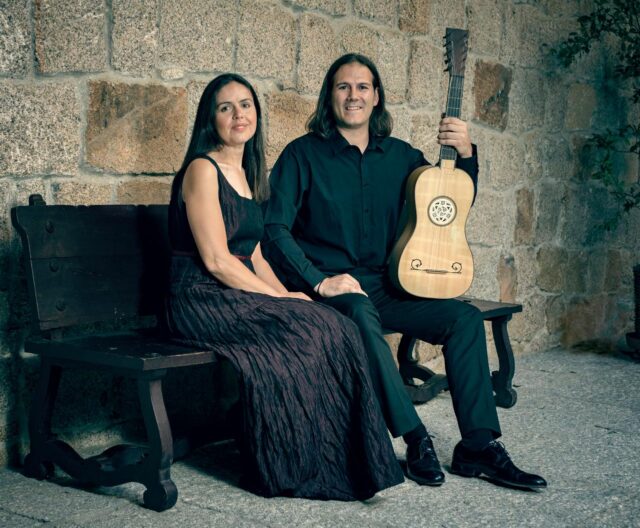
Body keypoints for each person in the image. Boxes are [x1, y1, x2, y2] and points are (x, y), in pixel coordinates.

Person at [263, 54, 547, 490]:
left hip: (389, 285)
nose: (353, 95)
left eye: (362, 86)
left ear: (376, 96)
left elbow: (447, 202)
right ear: (329, 96)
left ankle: (478, 446)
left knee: (464, 318)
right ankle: (416, 439)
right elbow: (274, 229)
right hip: (329, 288)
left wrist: (466, 154)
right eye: (343, 86)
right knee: (359, 312)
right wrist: (318, 280)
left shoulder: (401, 157)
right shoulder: (302, 154)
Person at [164, 73, 404, 500]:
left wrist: (294, 296)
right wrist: (279, 297)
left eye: (246, 105)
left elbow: (255, 256)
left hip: (232, 292)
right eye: (225, 107)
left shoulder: (246, 173)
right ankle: (288, 460)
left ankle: (342, 459)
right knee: (307, 328)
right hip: (199, 296)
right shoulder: (203, 169)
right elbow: (218, 260)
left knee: (332, 323)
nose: (238, 115)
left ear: (256, 113)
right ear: (210, 119)